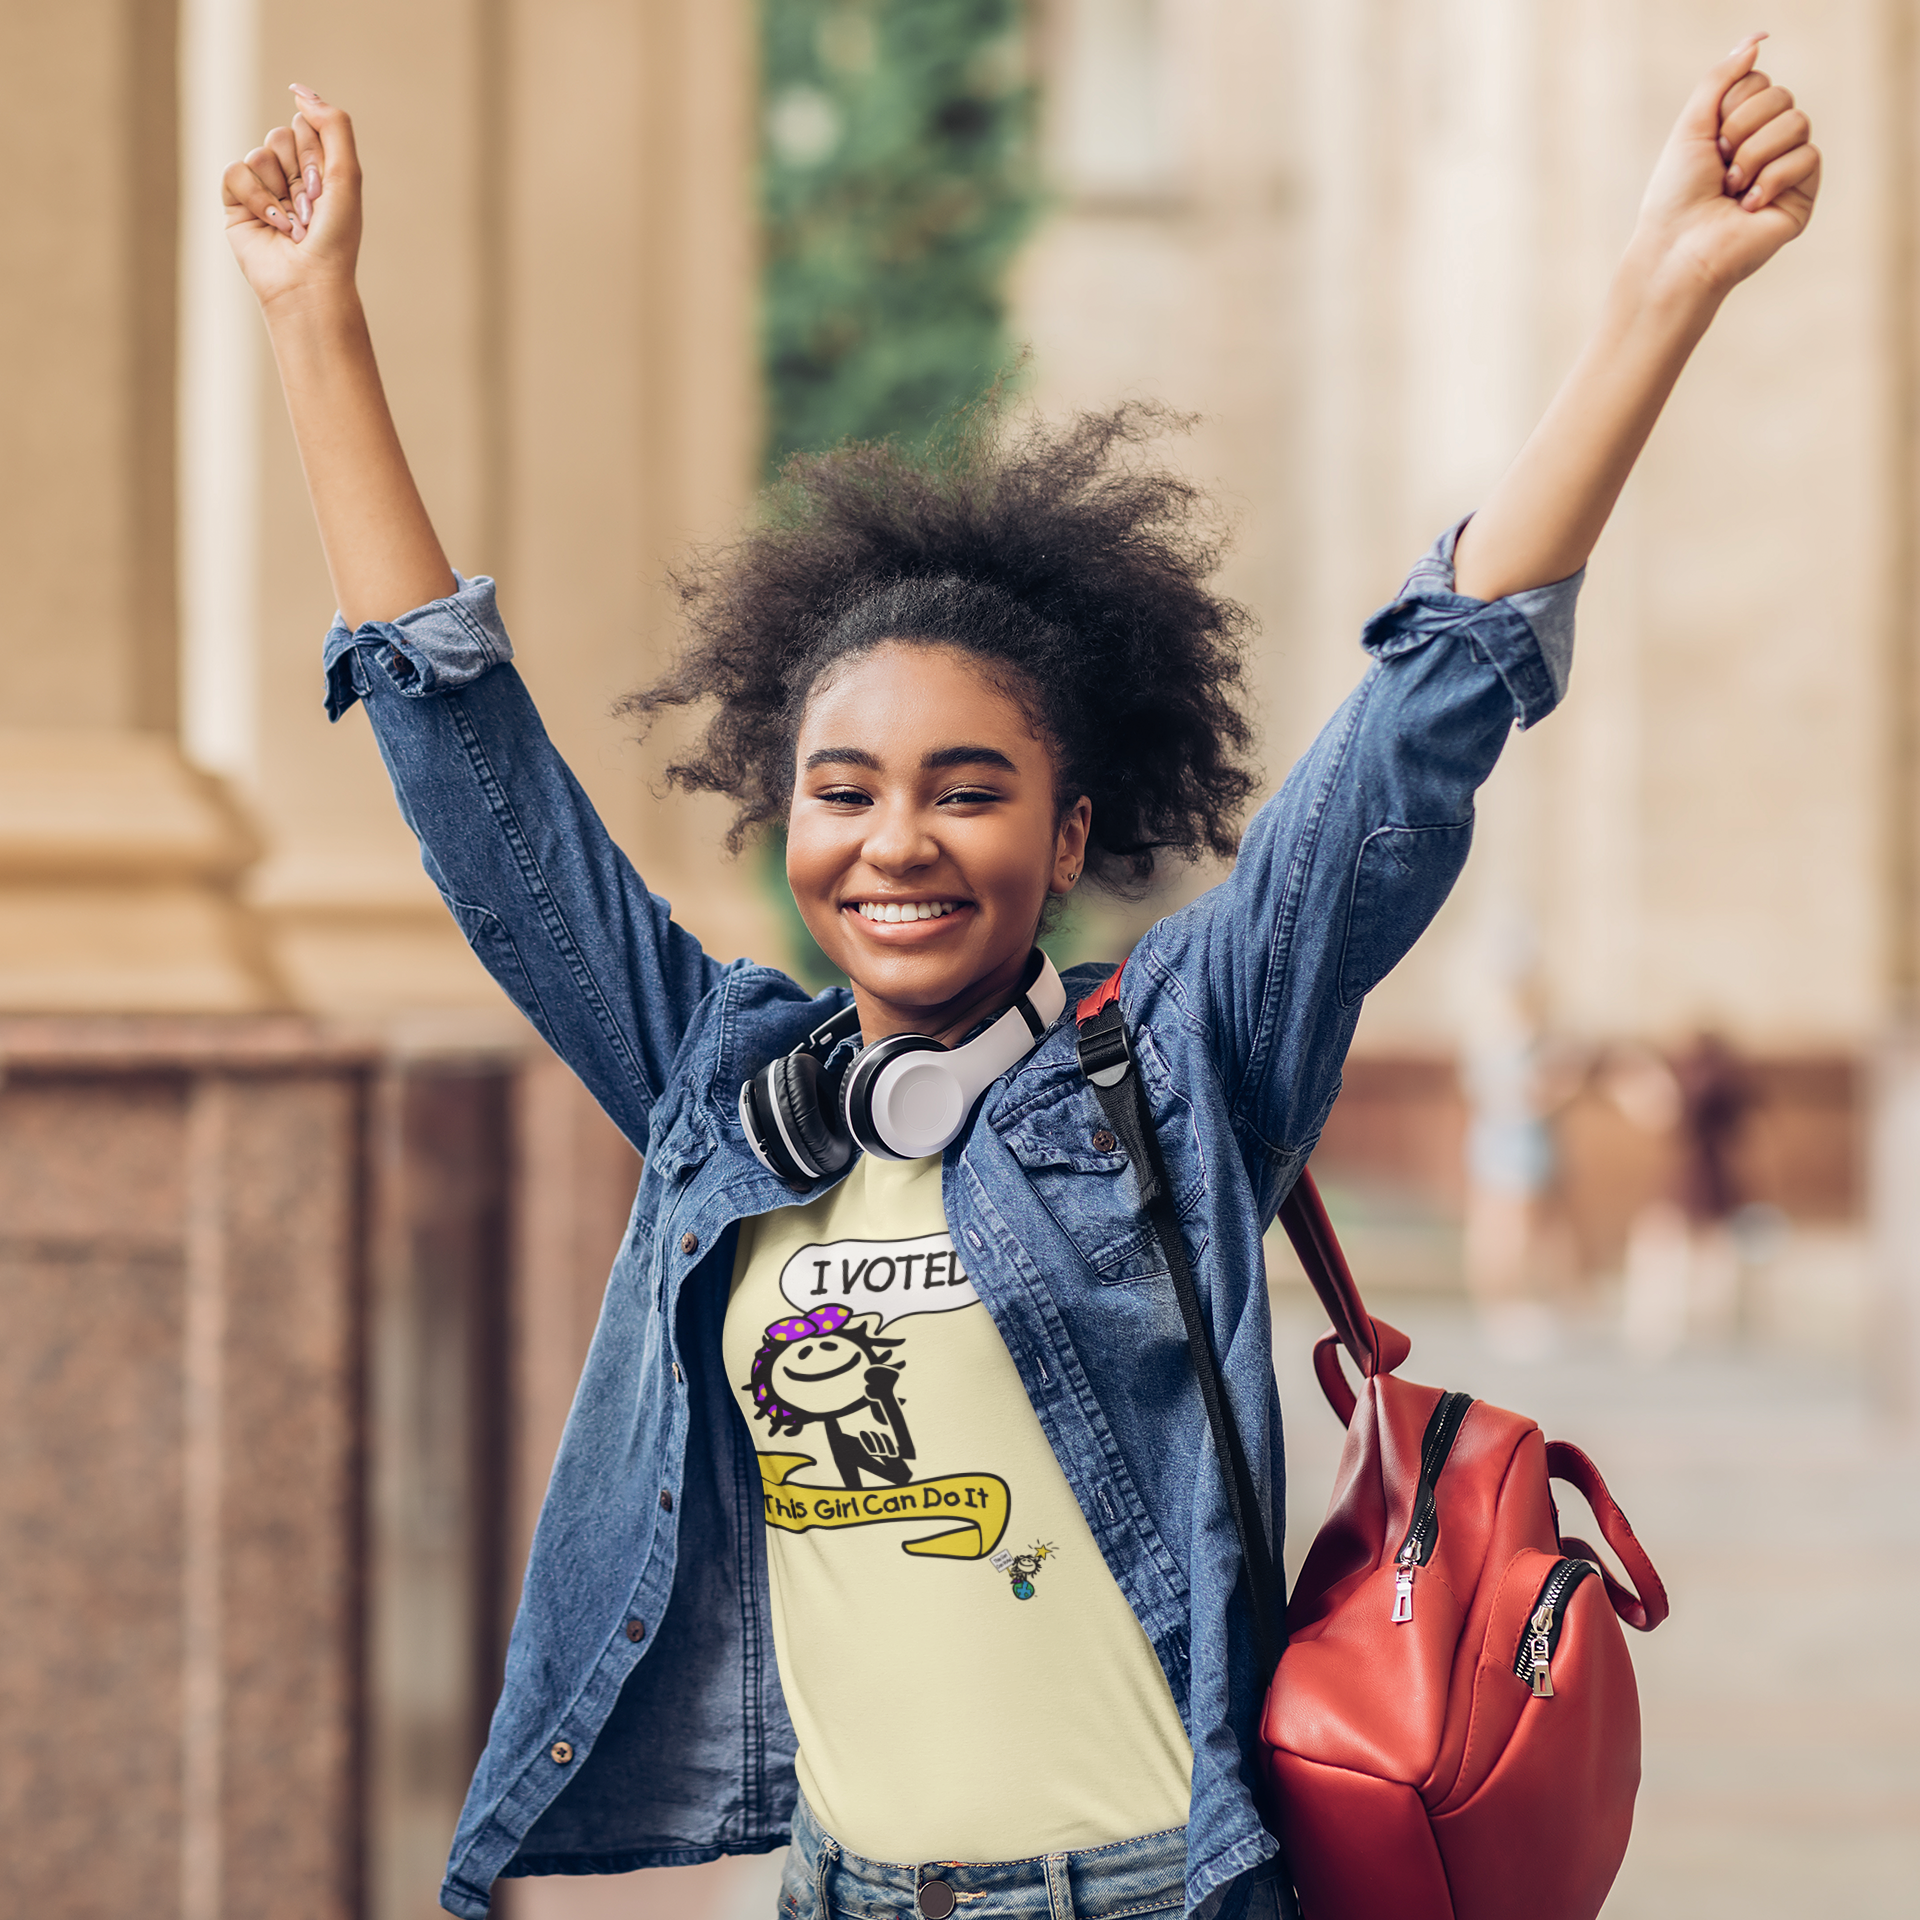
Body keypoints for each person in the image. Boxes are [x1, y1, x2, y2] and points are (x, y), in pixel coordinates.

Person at [221, 37, 1818, 1920]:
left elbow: (1419, 720)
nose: (897, 840)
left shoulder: (1186, 1062)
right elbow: (481, 799)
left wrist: (1656, 296)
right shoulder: (714, 1090)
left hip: (1151, 1892)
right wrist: (314, 321)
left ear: (1067, 840)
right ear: (788, 823)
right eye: (847, 791)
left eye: (968, 791)